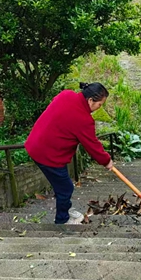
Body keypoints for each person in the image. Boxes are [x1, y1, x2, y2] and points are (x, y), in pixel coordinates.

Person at [25, 82, 114, 224]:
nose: (99, 108)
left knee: (62, 185)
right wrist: (107, 161)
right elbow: (92, 146)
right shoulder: (84, 120)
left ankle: (65, 209)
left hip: (35, 143)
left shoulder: (66, 94)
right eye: (100, 104)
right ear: (91, 100)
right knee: (66, 188)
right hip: (48, 154)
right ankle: (62, 220)